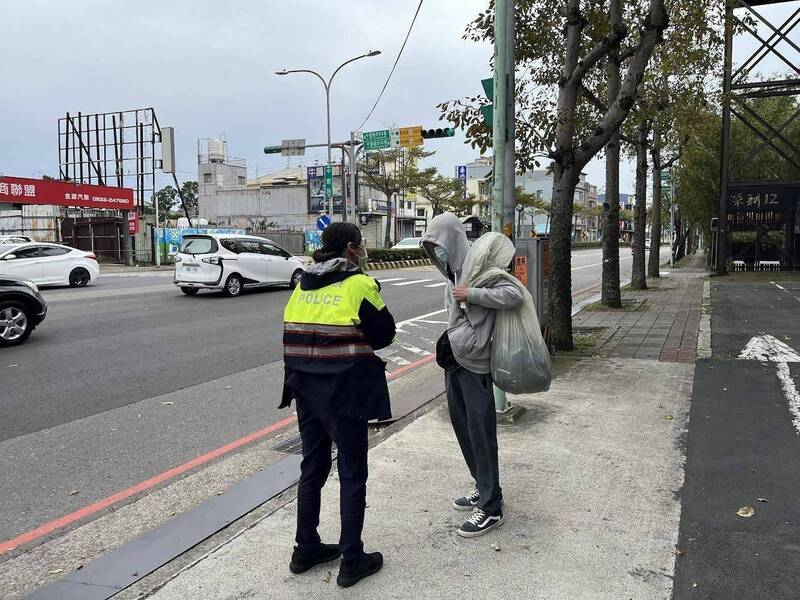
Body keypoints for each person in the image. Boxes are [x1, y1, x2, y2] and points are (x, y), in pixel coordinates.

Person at [280, 222, 396, 587]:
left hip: (304, 387)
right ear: (349, 248)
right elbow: (384, 334)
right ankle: (352, 558)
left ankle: (305, 547)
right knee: (351, 470)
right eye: (360, 244)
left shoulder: (304, 283)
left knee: (312, 466)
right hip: (344, 389)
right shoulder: (359, 283)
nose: (363, 249)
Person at [422, 213, 523, 538]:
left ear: (451, 240)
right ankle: (484, 485)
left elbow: (514, 294)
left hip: (476, 364)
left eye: (438, 245)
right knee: (464, 429)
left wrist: (473, 295)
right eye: (431, 247)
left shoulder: (480, 267)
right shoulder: (452, 271)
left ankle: (492, 508)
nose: (436, 252)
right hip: (455, 361)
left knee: (481, 433)